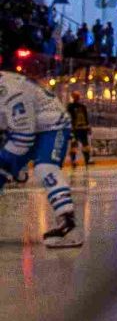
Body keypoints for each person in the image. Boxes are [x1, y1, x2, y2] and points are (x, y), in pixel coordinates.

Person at [0, 68, 82, 247]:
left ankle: (68, 224)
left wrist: (6, 162)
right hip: (26, 128)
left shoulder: (10, 91)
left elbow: (23, 138)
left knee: (45, 167)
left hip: (51, 126)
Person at [65, 91, 93, 168]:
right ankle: (73, 160)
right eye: (76, 96)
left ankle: (87, 160)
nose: (77, 98)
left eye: (78, 96)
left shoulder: (82, 107)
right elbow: (68, 117)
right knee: (74, 145)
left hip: (82, 128)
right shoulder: (70, 107)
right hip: (75, 129)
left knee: (85, 145)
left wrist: (88, 126)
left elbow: (86, 117)